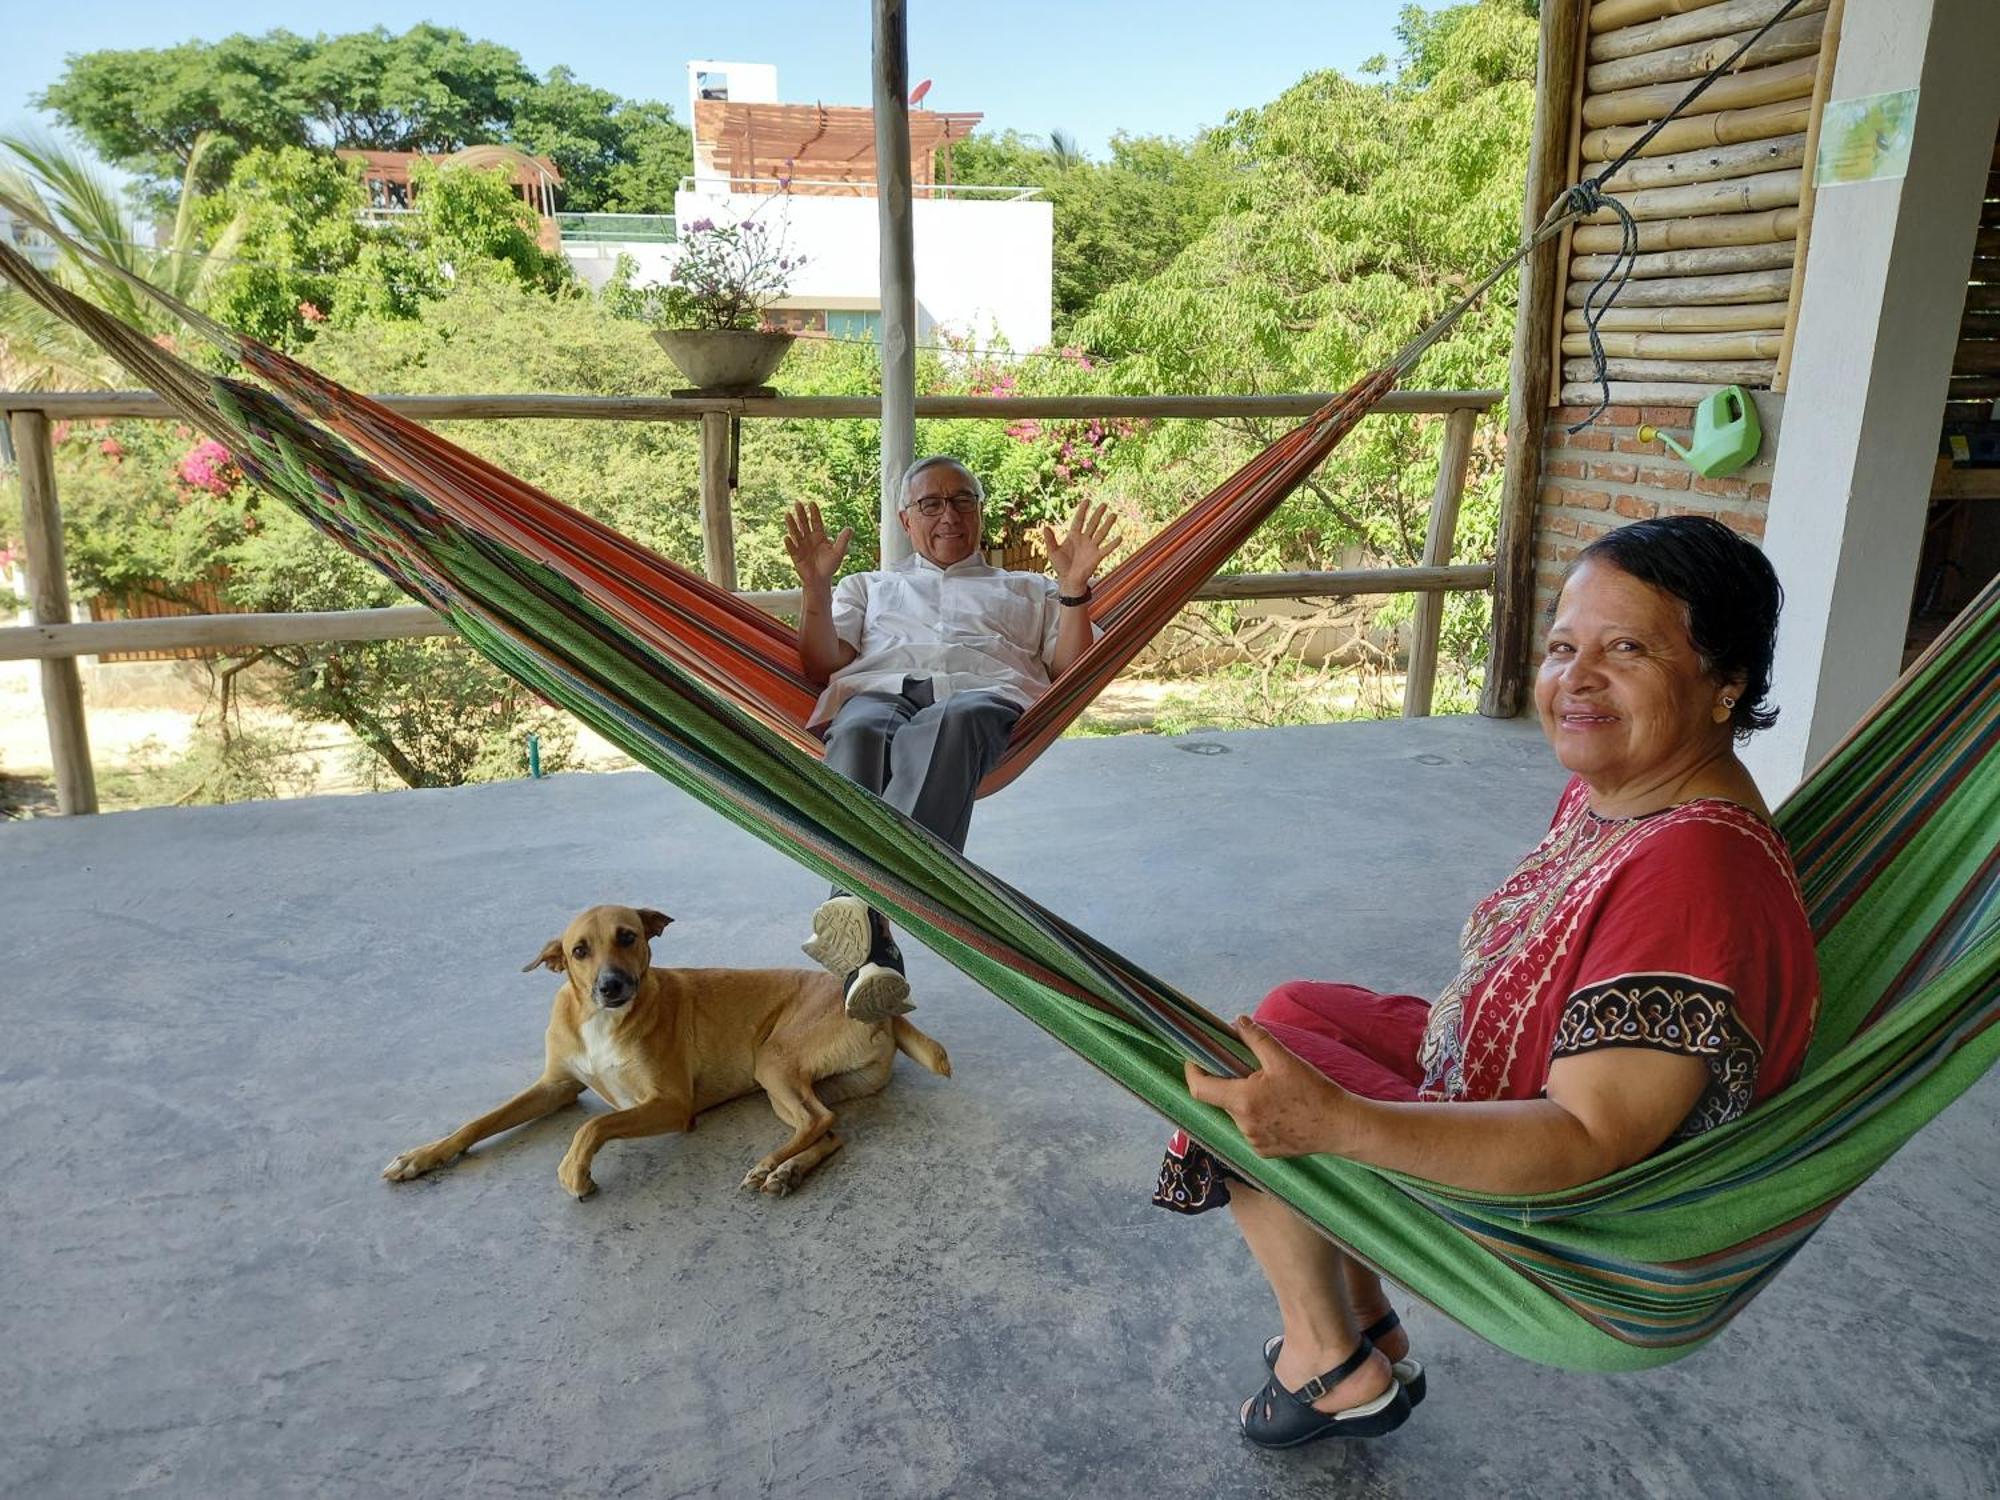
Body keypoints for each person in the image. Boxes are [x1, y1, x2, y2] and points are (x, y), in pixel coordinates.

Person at [1156, 514, 1821, 1449]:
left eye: (1625, 649)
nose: (1575, 679)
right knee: (1291, 1012)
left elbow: (1591, 1137)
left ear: (1726, 684)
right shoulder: (1632, 792)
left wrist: (1343, 1122)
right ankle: (1366, 1315)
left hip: (1559, 1215)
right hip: (1509, 1080)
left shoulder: (1693, 871)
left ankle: (1332, 1363)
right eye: (1562, 647)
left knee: (1230, 1071)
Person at [784, 456, 1120, 1022]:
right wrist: (816, 588)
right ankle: (876, 942)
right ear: (905, 519)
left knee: (950, 720)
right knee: (859, 726)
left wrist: (1074, 589)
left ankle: (854, 898)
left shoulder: (1031, 588)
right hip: (879, 691)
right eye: (931, 504)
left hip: (981, 697)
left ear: (980, 512)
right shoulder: (869, 586)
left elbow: (1071, 668)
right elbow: (822, 664)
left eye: (963, 500)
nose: (949, 515)